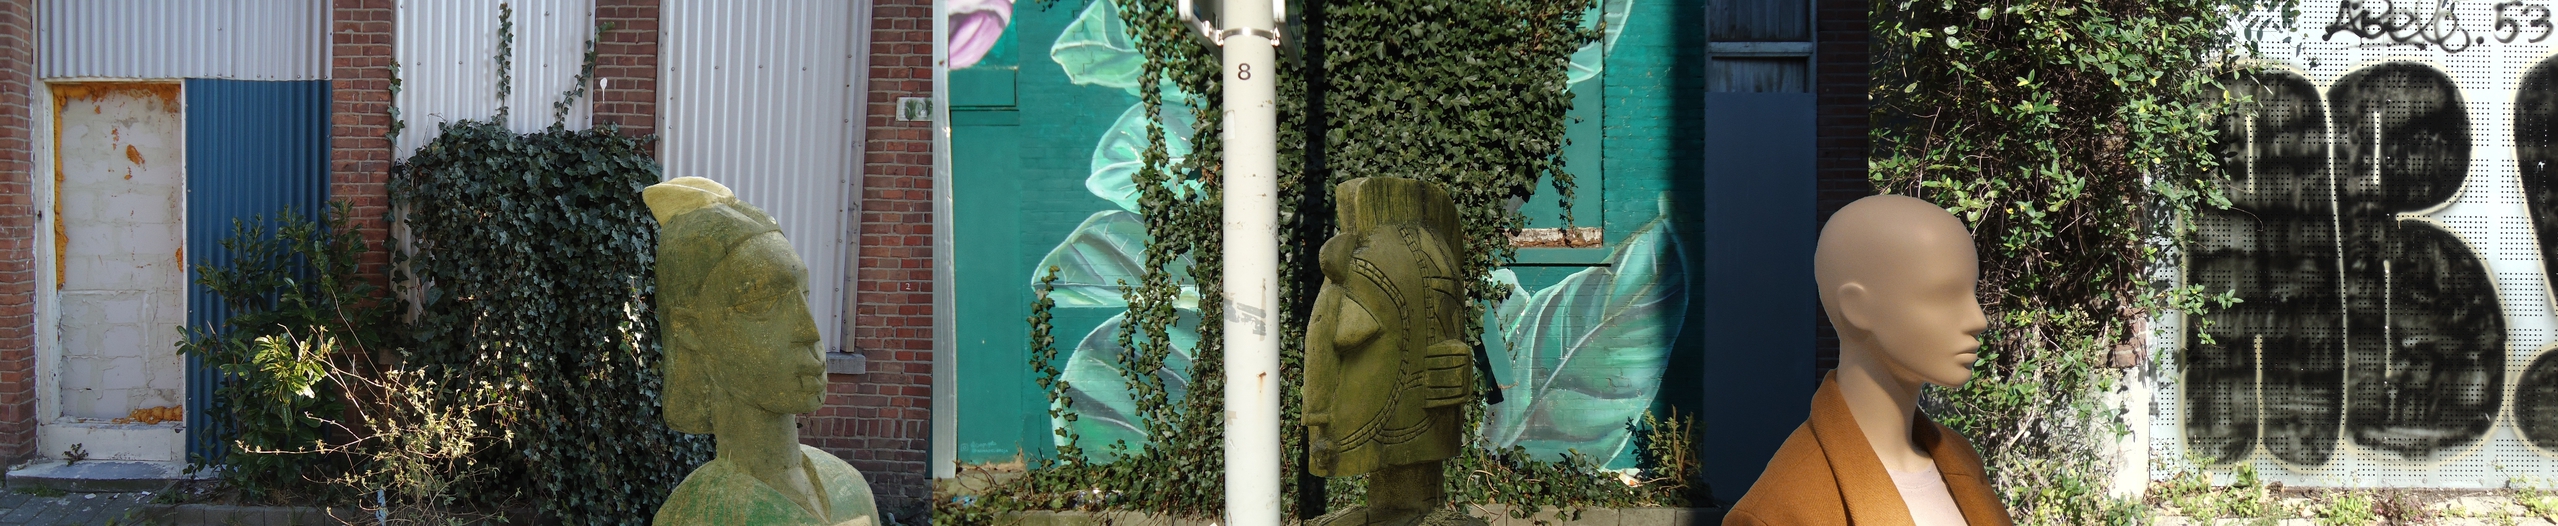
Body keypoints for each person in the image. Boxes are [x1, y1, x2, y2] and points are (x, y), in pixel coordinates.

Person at [1725, 195, 2013, 526]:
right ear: (1858, 308)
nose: (1978, 320)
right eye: (1943, 295)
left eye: (1971, 293)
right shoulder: (1779, 509)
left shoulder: (1961, 460)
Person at [646, 176, 880, 526]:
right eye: (761, 302)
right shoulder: (696, 514)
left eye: (804, 293)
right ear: (691, 330)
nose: (810, 332)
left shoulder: (847, 486)